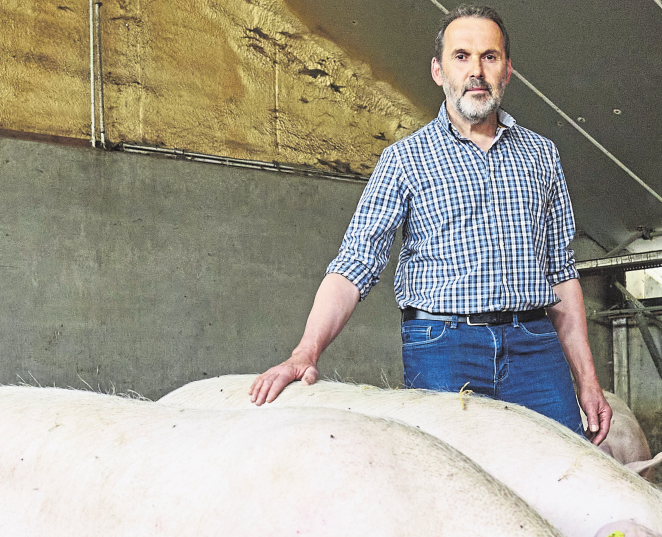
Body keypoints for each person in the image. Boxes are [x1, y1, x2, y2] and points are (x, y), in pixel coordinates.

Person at [249, 5, 611, 444]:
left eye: (489, 57)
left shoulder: (541, 156)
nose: (476, 70)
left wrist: (588, 381)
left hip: (535, 347)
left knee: (562, 477)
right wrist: (304, 352)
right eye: (462, 56)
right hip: (444, 347)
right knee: (452, 487)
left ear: (508, 70)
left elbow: (561, 273)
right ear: (439, 71)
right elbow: (355, 265)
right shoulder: (404, 159)